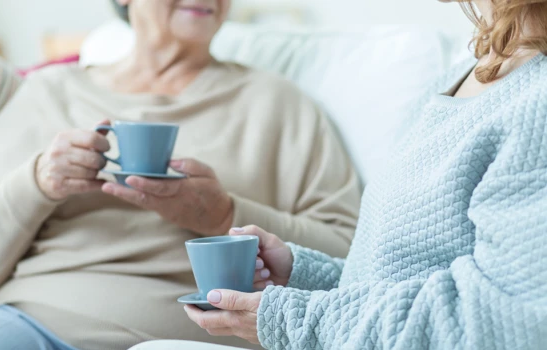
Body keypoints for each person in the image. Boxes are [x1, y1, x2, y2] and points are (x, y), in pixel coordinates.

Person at [0, 0, 361, 349]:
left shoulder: (279, 104)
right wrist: (36, 182)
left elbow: (353, 260)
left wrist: (224, 214)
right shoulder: (50, 91)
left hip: (194, 340)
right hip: (33, 324)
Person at [182, 0, 547, 349]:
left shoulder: (536, 103)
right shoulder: (462, 76)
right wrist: (301, 275)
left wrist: (289, 319)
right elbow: (394, 277)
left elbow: (504, 322)